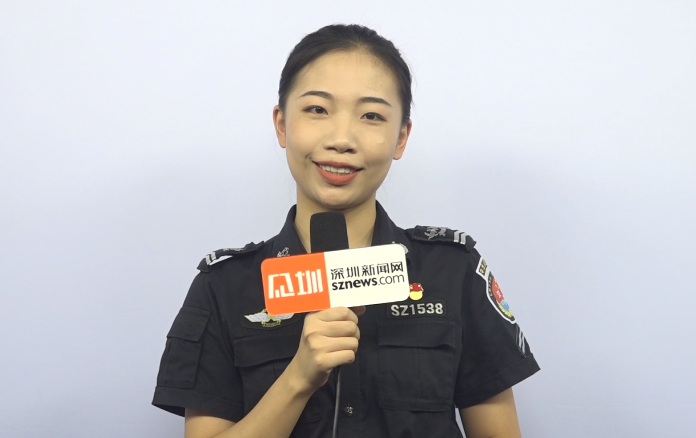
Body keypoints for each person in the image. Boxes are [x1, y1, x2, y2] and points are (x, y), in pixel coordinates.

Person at [153, 24, 539, 438]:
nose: (341, 139)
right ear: (281, 125)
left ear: (401, 138)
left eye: (371, 116)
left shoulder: (453, 270)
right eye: (317, 109)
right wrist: (298, 378)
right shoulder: (224, 287)